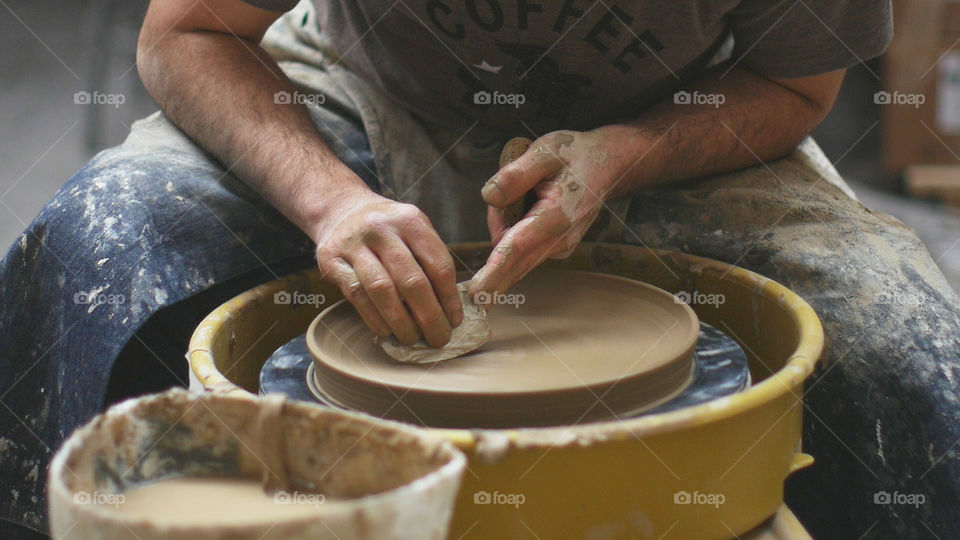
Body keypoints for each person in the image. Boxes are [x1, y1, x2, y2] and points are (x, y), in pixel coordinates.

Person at [2, 0, 957, 537]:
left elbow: (796, 88)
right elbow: (186, 30)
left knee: (906, 354)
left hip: (664, 119)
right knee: (100, 235)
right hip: (360, 90)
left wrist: (622, 155)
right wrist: (330, 199)